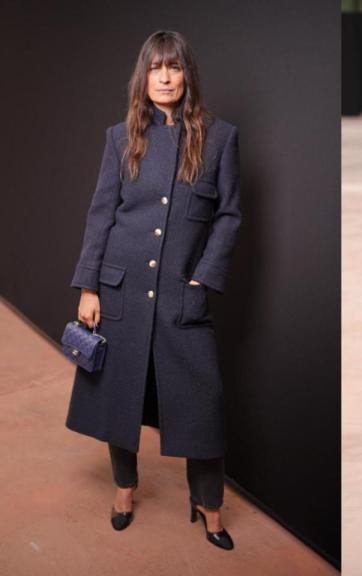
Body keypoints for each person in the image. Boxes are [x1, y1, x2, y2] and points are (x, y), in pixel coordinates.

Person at [68, 30, 241, 550]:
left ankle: (208, 504)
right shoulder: (120, 138)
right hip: (120, 290)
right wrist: (89, 286)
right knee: (119, 398)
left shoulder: (220, 137)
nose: (164, 78)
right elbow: (101, 213)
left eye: (174, 67)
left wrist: (202, 277)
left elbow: (229, 216)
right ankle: (124, 489)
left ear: (188, 75)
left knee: (202, 406)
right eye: (155, 68)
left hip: (181, 295)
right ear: (143, 77)